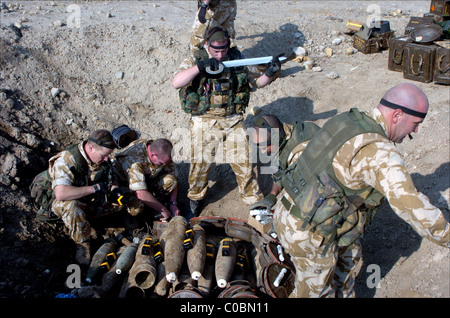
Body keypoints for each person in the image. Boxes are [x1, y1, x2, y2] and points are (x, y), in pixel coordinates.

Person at [250, 83, 449, 297]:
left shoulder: (348, 120)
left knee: (347, 266)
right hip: (309, 234)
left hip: (300, 215)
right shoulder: (379, 152)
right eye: (416, 123)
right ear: (398, 115)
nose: (415, 130)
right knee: (314, 292)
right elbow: (411, 206)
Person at [172, 26, 281, 217]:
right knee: (200, 164)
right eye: (216, 50)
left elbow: (257, 83)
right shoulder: (195, 58)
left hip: (232, 120)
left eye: (224, 49)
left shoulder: (237, 59)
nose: (221, 54)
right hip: (204, 120)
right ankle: (195, 200)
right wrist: (200, 67)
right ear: (207, 44)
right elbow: (177, 82)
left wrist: (270, 73)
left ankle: (254, 202)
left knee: (245, 164)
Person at [48, 129, 119, 265]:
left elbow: (112, 176)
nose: (106, 159)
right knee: (71, 206)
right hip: (63, 203)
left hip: (89, 202)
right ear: (91, 148)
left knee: (127, 199)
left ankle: (99, 225)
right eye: (103, 156)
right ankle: (83, 242)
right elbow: (61, 193)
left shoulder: (101, 158)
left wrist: (115, 190)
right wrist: (94, 189)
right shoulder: (66, 160)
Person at [114, 138, 180, 223]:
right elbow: (140, 193)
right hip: (125, 186)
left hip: (145, 181)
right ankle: (130, 222)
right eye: (161, 163)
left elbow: (174, 177)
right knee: (137, 207)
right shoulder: (133, 160)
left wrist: (173, 204)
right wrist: (163, 210)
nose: (164, 165)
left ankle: (153, 207)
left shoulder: (162, 153)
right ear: (153, 155)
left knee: (170, 181)